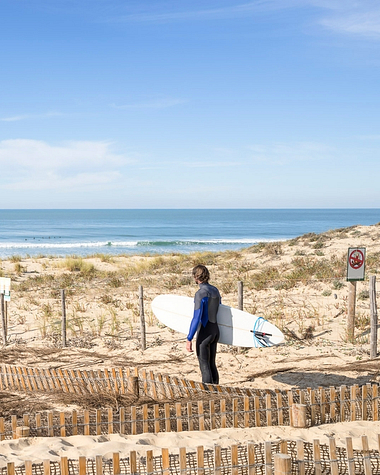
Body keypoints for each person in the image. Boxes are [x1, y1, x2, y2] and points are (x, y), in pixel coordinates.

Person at [186, 264, 221, 384]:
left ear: (196, 277)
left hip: (204, 333)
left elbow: (196, 318)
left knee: (204, 365)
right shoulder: (215, 290)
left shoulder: (200, 294)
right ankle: (217, 391)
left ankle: (207, 394)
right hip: (215, 331)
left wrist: (189, 338)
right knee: (212, 363)